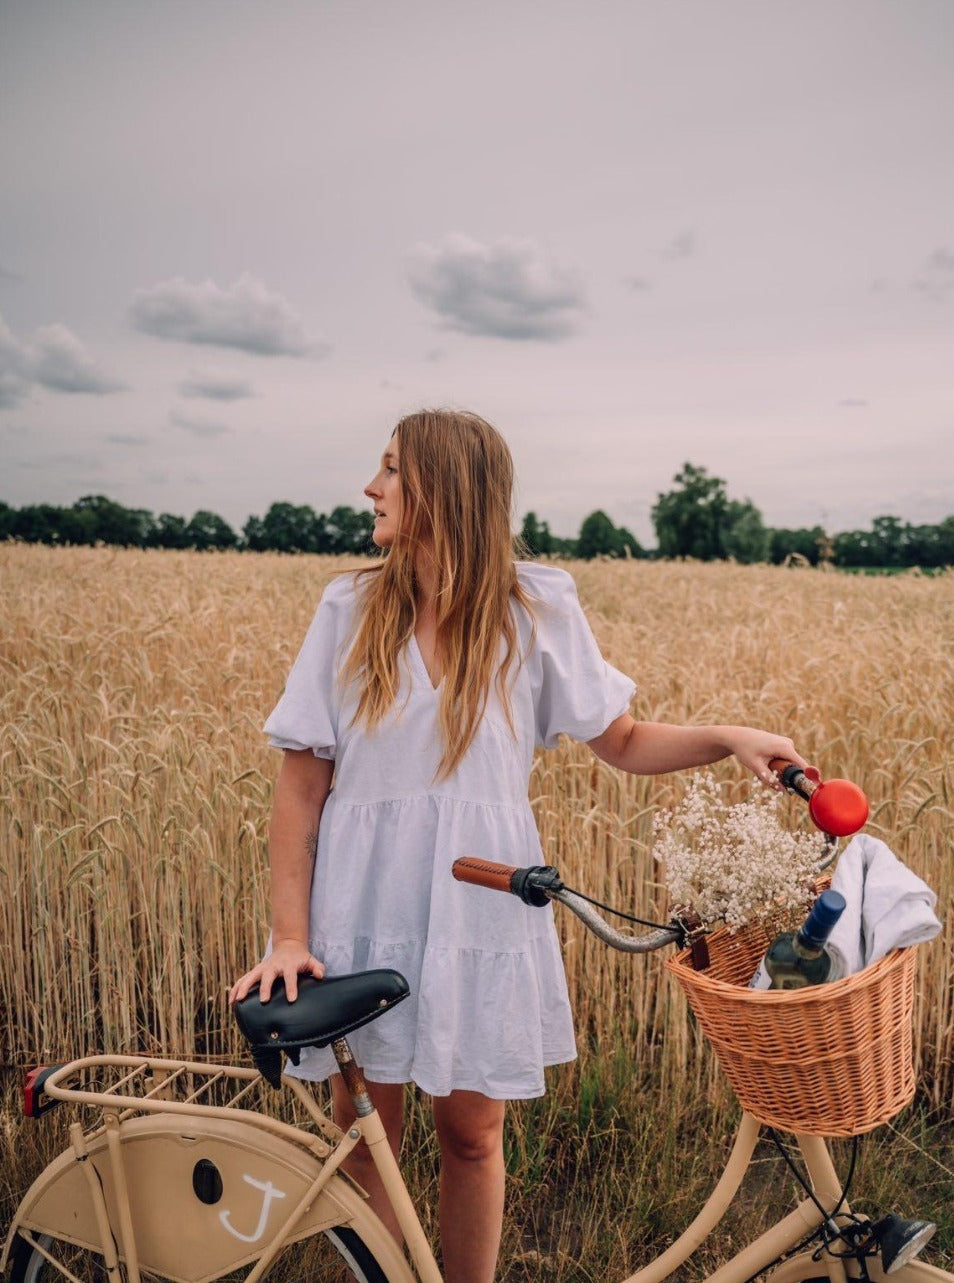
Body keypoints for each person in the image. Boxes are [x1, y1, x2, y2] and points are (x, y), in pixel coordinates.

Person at [230, 408, 807, 1283]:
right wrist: (288, 936)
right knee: (366, 1141)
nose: (370, 487)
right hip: (361, 903)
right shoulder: (348, 607)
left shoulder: (535, 606)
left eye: (390, 470)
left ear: (443, 490)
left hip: (481, 900)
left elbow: (620, 739)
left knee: (472, 1132)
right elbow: (300, 788)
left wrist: (729, 735)